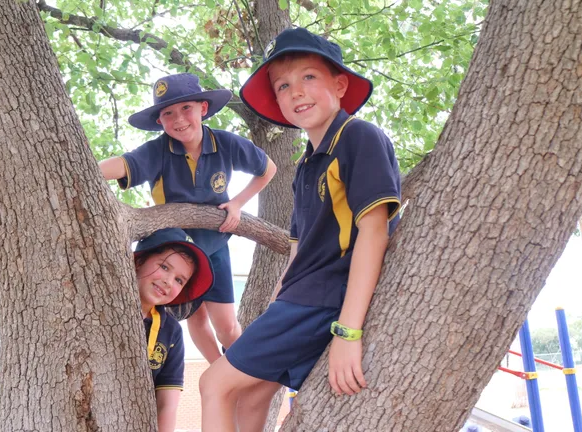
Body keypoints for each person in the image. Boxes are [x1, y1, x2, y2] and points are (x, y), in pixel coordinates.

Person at [199, 27, 402, 430]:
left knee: (212, 383)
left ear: (340, 85)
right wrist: (277, 302)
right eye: (283, 85)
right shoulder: (306, 163)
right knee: (252, 396)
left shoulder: (358, 137)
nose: (296, 92)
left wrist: (348, 331)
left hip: (323, 300)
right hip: (297, 300)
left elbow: (375, 231)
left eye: (309, 77)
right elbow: (298, 246)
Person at [99, 73, 277, 363]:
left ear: (203, 108)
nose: (178, 119)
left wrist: (236, 203)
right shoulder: (158, 150)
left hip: (214, 241)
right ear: (160, 121)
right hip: (171, 243)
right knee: (195, 316)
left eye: (186, 109)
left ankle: (245, 373)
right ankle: (217, 371)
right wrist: (81, 170)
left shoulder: (226, 143)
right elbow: (122, 165)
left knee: (228, 327)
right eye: (168, 113)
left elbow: (267, 169)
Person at [133, 228, 214, 432]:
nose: (169, 281)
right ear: (139, 261)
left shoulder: (171, 331)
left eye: (180, 280)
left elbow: (167, 405)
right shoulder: (99, 306)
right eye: (164, 267)